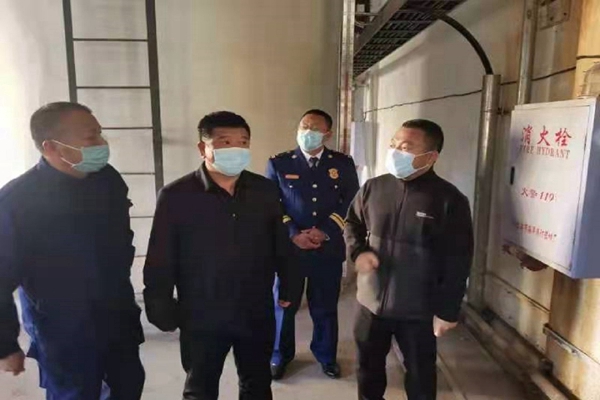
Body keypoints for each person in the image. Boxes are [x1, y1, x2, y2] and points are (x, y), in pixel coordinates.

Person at [143, 111, 299, 400]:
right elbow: (161, 256)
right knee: (200, 386)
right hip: (202, 312)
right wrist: (159, 304)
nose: (236, 149)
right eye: (225, 142)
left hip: (254, 308)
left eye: (243, 142)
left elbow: (280, 241)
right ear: (203, 148)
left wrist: (290, 283)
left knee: (257, 384)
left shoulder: (264, 191)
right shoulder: (177, 195)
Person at [0, 102, 145, 399]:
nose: (101, 144)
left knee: (128, 386)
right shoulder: (18, 200)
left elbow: (121, 241)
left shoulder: (107, 180)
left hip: (116, 315)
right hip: (63, 326)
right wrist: (5, 344)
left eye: (100, 134)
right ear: (52, 147)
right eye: (91, 137)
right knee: (75, 393)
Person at [344, 119, 474, 400]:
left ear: (431, 156)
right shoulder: (374, 188)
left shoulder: (449, 200)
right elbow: (352, 223)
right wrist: (358, 252)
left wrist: (448, 310)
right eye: (393, 144)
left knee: (420, 374)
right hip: (370, 303)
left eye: (405, 147)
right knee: (367, 369)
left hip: (418, 309)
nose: (395, 152)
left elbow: (458, 259)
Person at [267, 109, 360, 380]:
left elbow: (350, 201)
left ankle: (326, 356)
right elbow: (272, 204)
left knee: (325, 307)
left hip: (327, 249)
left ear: (327, 134)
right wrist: (293, 233)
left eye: (315, 128)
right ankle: (279, 355)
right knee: (284, 305)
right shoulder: (279, 163)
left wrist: (325, 231)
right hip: (290, 250)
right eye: (303, 126)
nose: (307, 132)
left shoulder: (342, 164)